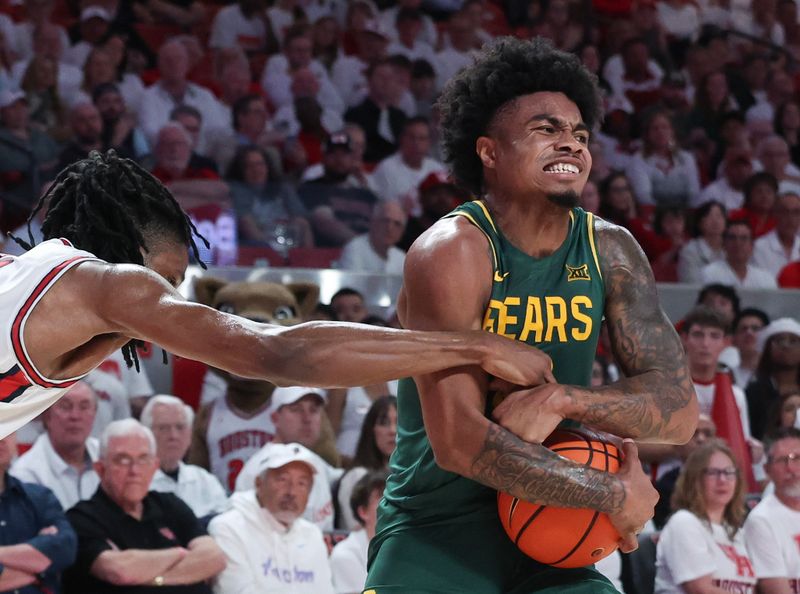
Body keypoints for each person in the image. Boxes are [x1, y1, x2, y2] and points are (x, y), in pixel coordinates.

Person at [365, 38, 698, 593]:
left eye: (580, 133)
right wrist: (613, 493)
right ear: (489, 152)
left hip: (555, 534)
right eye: (547, 129)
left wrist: (564, 398)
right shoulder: (453, 250)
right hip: (439, 529)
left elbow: (680, 411)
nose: (570, 142)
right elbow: (460, 442)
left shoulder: (610, 249)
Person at [0, 149, 554, 439]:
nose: (164, 297)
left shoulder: (20, 274)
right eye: (168, 279)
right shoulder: (113, 283)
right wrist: (477, 346)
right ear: (132, 258)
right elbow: (277, 352)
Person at [63, 419, 226, 593]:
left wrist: (154, 578)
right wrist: (181, 554)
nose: (135, 471)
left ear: (155, 466)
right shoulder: (81, 518)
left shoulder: (170, 504)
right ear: (100, 469)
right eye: (123, 460)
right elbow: (120, 571)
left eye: (143, 459)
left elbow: (215, 558)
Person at [209, 443, 334, 594]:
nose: (292, 492)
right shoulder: (228, 528)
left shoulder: (312, 534)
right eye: (282, 479)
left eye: (302, 483)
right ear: (259, 484)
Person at [234, 387, 343, 531]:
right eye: (296, 409)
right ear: (275, 418)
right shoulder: (257, 468)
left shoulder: (314, 460)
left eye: (314, 410)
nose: (307, 419)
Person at [654, 440, 757, 594]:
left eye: (729, 472)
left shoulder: (737, 531)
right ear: (694, 479)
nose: (722, 480)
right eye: (713, 473)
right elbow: (700, 589)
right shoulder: (684, 522)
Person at [0, 431, 77, 594]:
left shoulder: (40, 497)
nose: (1, 436)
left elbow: (66, 549)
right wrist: (36, 568)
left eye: (8, 427)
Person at [11, 381, 99, 510]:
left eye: (84, 407)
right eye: (65, 406)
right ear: (46, 415)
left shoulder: (108, 457)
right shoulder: (26, 475)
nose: (75, 416)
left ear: (95, 414)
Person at [141, 395, 228, 522]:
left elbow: (224, 523)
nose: (173, 435)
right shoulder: (136, 480)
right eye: (163, 428)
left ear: (190, 434)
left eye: (180, 427)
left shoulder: (204, 480)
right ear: (146, 434)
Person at [744, 427, 800, 594]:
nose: (791, 468)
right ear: (767, 469)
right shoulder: (761, 520)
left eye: (797, 458)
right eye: (782, 460)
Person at [336, 396, 396, 530]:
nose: (393, 430)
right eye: (384, 422)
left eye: (399, 422)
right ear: (371, 429)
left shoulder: (408, 476)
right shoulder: (356, 476)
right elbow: (359, 529)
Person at [331, 470, 387, 594]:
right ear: (363, 512)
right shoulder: (345, 553)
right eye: (382, 500)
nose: (390, 507)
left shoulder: (406, 545)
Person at [337, 200, 407, 274]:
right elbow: (351, 285)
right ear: (373, 222)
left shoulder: (401, 258)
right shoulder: (354, 250)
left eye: (397, 224)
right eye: (385, 221)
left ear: (402, 231)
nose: (390, 228)